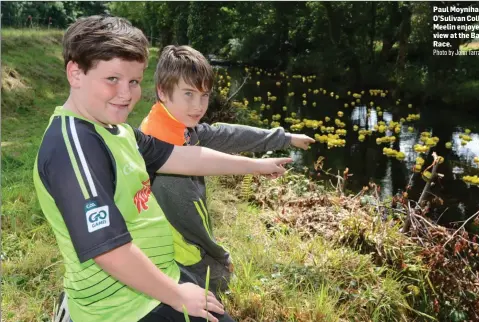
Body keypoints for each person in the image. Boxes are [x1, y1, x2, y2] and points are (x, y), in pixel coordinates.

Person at [34, 15, 291, 322]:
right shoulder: (74, 146)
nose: (127, 94)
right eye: (112, 79)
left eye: (133, 81)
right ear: (75, 73)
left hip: (157, 279)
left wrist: (257, 166)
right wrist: (177, 294)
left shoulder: (118, 131)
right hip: (123, 307)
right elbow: (107, 250)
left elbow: (187, 157)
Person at [140, 45, 315, 294]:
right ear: (162, 91)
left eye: (204, 95)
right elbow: (191, 220)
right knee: (220, 283)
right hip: (176, 254)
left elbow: (227, 134)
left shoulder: (170, 123)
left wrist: (285, 138)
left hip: (175, 246)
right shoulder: (166, 157)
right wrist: (220, 255)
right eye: (188, 94)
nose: (198, 106)